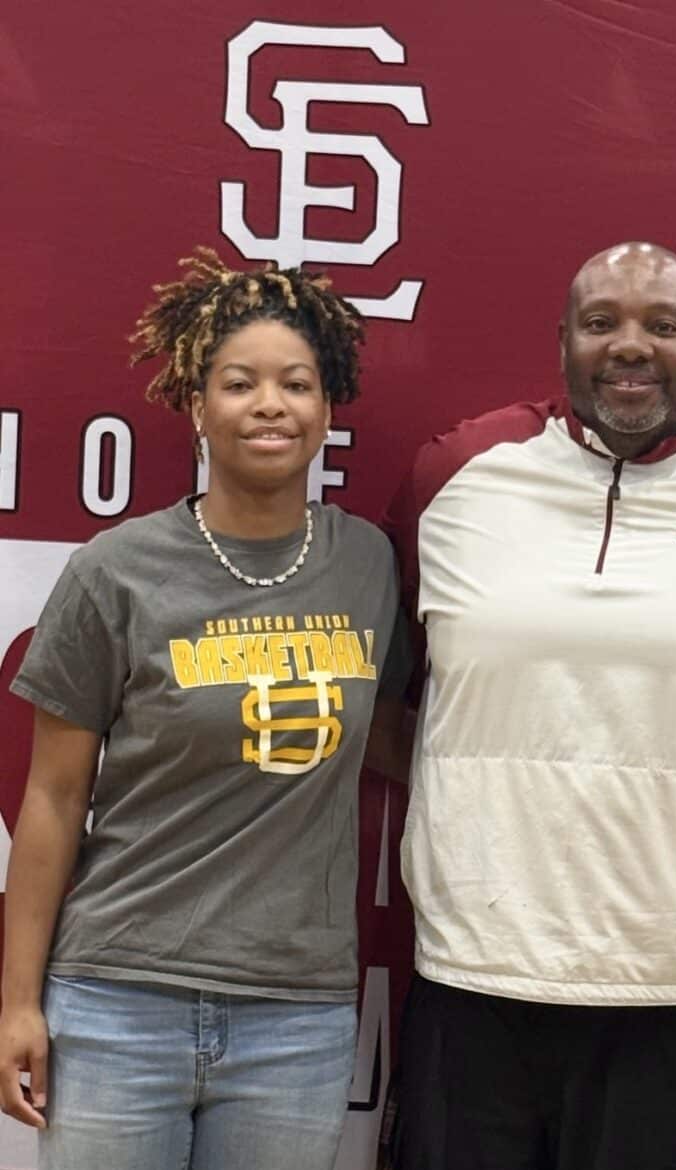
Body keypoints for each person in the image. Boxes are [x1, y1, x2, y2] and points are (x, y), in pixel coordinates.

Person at [382, 241, 676, 1170]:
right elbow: (390, 694)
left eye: (663, 325)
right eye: (601, 323)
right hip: (471, 973)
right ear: (562, 342)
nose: (631, 345)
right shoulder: (456, 474)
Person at [0, 247, 409, 1170]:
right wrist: (19, 1002)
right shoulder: (116, 572)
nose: (270, 404)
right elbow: (54, 799)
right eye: (239, 383)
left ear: (327, 409)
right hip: (118, 999)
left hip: (295, 1016)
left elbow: (394, 737)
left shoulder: (367, 565)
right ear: (196, 405)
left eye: (296, 384)